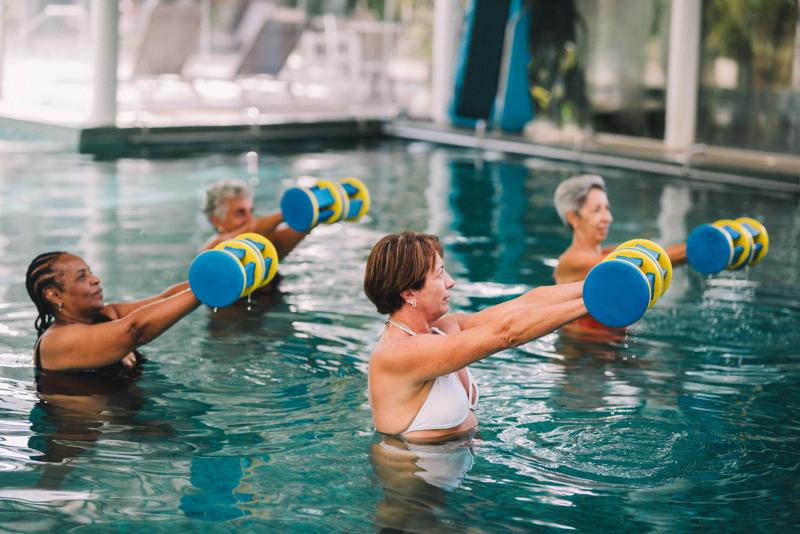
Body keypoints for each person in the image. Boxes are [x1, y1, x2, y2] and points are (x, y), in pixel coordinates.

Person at [363, 232, 587, 443]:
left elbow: (525, 303)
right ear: (409, 292)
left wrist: (596, 283)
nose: (450, 281)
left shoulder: (443, 328)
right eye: (440, 273)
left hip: (459, 468)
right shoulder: (399, 354)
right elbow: (507, 334)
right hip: (421, 482)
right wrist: (592, 302)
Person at [25, 251, 199, 373]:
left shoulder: (106, 315)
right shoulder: (56, 341)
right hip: (84, 426)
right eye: (82, 277)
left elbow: (165, 299)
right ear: (54, 295)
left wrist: (215, 270)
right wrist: (208, 289)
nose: (96, 279)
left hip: (128, 419)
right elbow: (135, 330)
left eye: (90, 272)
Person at [552, 174, 687, 284]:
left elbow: (651, 254)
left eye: (607, 208)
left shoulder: (603, 253)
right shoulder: (571, 262)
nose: (608, 218)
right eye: (596, 210)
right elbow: (640, 261)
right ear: (573, 218)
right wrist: (695, 247)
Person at [201, 179, 307, 257]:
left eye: (251, 211)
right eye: (240, 213)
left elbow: (300, 227)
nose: (250, 219)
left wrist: (313, 210)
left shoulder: (261, 247)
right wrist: (287, 213)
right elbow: (251, 231)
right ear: (216, 220)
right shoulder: (212, 250)